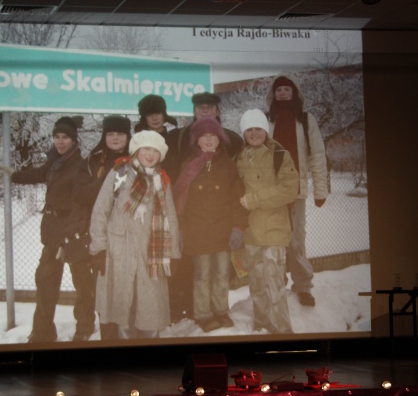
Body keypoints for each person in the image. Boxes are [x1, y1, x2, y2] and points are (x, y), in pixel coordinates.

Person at [1, 116, 90, 343]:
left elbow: (80, 204)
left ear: (73, 140)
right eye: (57, 137)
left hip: (72, 234)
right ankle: (42, 332)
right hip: (52, 232)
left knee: (82, 282)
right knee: (45, 280)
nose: (60, 141)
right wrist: (15, 175)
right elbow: (39, 174)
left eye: (65, 137)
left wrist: (67, 238)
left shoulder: (80, 166)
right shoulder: (55, 162)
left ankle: (85, 327)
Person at [88, 130, 181, 339]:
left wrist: (173, 254)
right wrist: (99, 249)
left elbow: (171, 219)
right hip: (118, 251)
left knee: (149, 306)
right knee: (123, 306)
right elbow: (100, 211)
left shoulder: (162, 181)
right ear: (136, 151)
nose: (150, 154)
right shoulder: (119, 174)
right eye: (146, 149)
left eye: (155, 151)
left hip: (151, 253)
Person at [162, 91, 244, 322]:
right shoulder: (188, 164)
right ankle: (202, 313)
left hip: (221, 230)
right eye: (203, 137)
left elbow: (237, 196)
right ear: (195, 140)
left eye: (213, 136)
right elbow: (181, 201)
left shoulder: (227, 165)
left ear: (220, 139)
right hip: (197, 233)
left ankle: (220, 310)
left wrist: (238, 226)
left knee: (221, 274)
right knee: (201, 274)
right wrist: (179, 230)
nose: (208, 140)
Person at [265, 73, 328, 307]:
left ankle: (303, 286)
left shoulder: (305, 119)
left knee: (296, 240)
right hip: (271, 192)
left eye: (287, 89)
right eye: (278, 90)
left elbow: (317, 155)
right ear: (273, 94)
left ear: (294, 93)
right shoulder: (266, 119)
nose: (282, 93)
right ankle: (276, 281)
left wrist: (320, 190)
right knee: (273, 238)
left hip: (296, 191)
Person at [236, 109, 299, 334]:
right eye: (249, 129)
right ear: (243, 133)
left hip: (274, 230)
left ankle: (282, 332)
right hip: (251, 233)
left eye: (258, 129)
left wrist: (255, 199)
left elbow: (290, 190)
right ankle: (261, 326)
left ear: (265, 130)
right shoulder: (240, 157)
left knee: (275, 285)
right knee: (256, 283)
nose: (254, 133)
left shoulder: (279, 154)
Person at [70, 115, 131, 341]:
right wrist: (108, 181)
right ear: (104, 136)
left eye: (120, 134)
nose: (115, 138)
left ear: (128, 136)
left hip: (127, 235)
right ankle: (104, 333)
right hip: (98, 232)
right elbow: (79, 195)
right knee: (99, 286)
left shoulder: (138, 159)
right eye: (111, 134)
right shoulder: (92, 161)